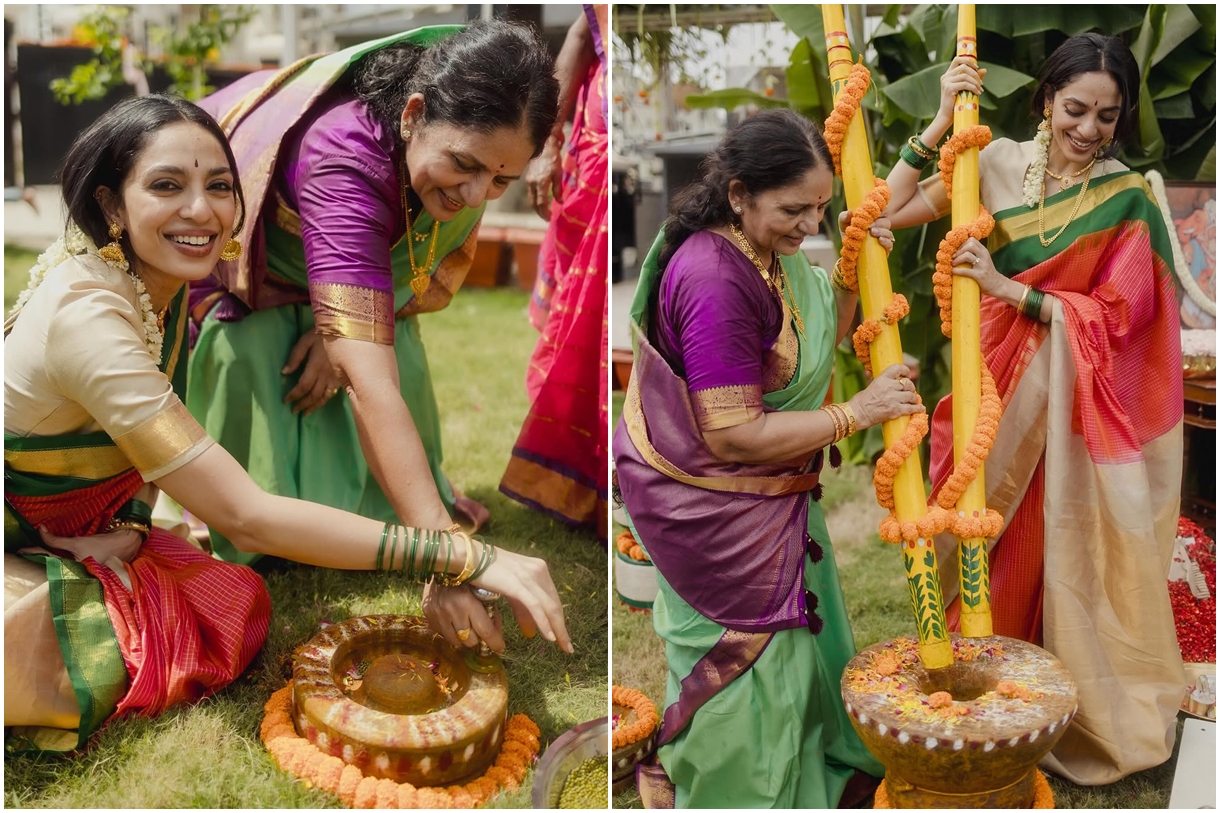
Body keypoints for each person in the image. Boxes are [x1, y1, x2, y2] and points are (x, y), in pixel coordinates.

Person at [3, 95, 572, 753]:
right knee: (140, 645)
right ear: (109, 206)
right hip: (21, 523)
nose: (201, 210)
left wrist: (128, 530)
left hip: (78, 523)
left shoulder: (148, 277)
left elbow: (138, 457)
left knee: (229, 600)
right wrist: (464, 552)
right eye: (167, 185)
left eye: (219, 185)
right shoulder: (90, 320)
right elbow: (247, 516)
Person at [883, 33, 1184, 784]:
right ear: (1047, 99)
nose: (1089, 130)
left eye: (1108, 117)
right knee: (964, 530)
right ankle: (957, 690)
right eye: (1076, 108)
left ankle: (1029, 704)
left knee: (1036, 551)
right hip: (985, 384)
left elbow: (1124, 318)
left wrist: (1009, 288)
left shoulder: (1126, 196)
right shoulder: (993, 161)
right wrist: (939, 118)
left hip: (1066, 411)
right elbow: (883, 210)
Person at [612, 109, 923, 808]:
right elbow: (730, 435)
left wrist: (847, 278)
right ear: (738, 193)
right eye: (793, 208)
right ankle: (741, 787)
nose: (809, 223)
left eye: (819, 206)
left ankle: (801, 766)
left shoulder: (764, 251)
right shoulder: (714, 279)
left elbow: (804, 349)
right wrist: (859, 412)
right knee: (746, 659)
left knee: (793, 652)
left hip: (769, 494)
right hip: (719, 508)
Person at [186, 21, 557, 555]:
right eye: (464, 165)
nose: (477, 196)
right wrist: (444, 554)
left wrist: (336, 330)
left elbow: (388, 298)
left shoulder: (452, 167)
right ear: (412, 115)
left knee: (389, 347)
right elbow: (367, 382)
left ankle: (382, 506)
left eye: (501, 180)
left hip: (346, 278)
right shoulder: (345, 158)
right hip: (256, 284)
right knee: (283, 351)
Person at [500, 5, 608, 538]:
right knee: (575, 331)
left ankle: (612, 492)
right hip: (589, 157)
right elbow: (582, 30)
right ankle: (578, 486)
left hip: (606, 148)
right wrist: (547, 143)